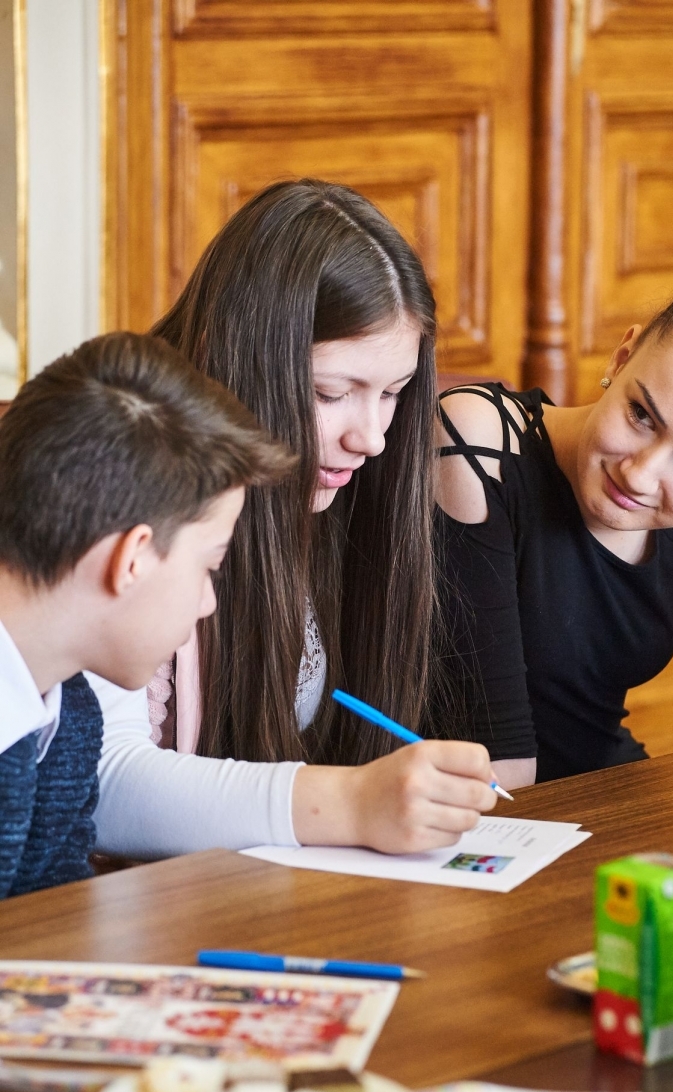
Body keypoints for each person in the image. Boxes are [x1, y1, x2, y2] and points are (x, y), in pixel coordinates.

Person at [90, 180, 497, 861]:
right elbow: (104, 784)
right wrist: (352, 802)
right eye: (331, 393)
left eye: (394, 393)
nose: (371, 436)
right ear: (242, 355)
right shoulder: (127, 470)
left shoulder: (350, 491)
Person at [435, 232, 673, 789]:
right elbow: (495, 764)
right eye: (641, 415)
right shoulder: (480, 444)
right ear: (623, 355)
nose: (640, 473)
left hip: (611, 804)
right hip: (483, 818)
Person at [0, 331, 292, 897]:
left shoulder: (71, 718)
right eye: (210, 565)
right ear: (132, 558)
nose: (208, 602)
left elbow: (50, 931)